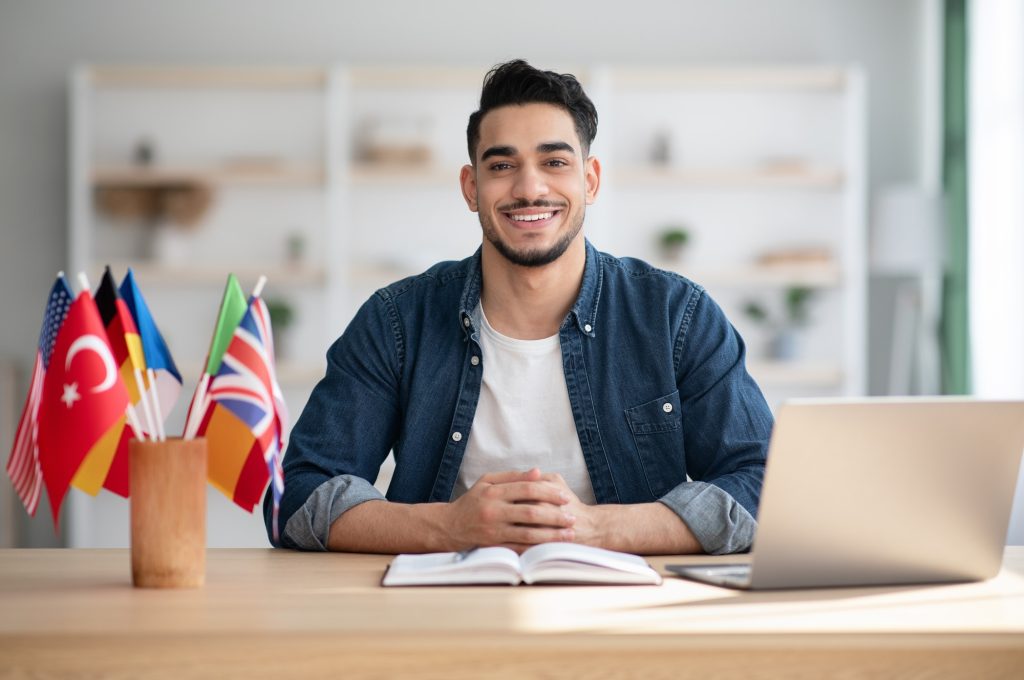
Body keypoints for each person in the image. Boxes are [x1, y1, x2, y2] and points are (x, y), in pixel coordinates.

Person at [265, 59, 772, 555]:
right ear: (471, 187)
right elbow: (302, 495)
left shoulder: (676, 315)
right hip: (437, 615)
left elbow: (762, 483)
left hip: (630, 616)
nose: (530, 188)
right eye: (502, 166)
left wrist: (595, 529)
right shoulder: (396, 320)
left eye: (554, 162)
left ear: (590, 180)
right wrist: (449, 526)